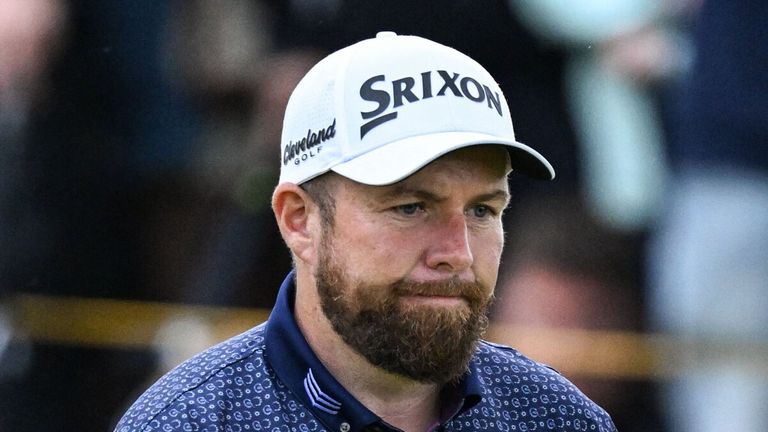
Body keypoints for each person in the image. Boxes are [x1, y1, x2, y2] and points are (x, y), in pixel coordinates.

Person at [115, 32, 616, 432]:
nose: (457, 252)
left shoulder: (557, 418)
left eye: (483, 210)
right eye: (411, 207)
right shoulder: (189, 423)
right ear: (299, 220)